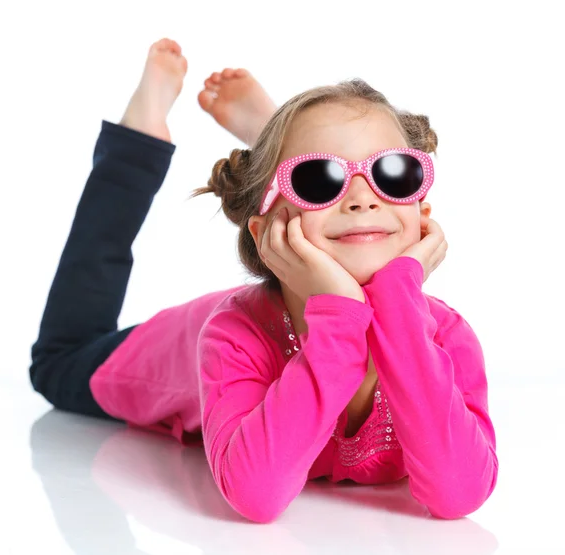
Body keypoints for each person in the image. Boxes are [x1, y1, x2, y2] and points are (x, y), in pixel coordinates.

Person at [29, 37, 498, 524]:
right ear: (268, 231)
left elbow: (459, 494)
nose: (364, 199)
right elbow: (255, 495)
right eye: (321, 179)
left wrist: (401, 303)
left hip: (294, 256)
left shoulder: (448, 337)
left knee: (325, 192)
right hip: (169, 349)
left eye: (393, 174)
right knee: (55, 364)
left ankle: (284, 154)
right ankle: (137, 148)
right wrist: (339, 317)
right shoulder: (234, 336)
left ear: (421, 215)